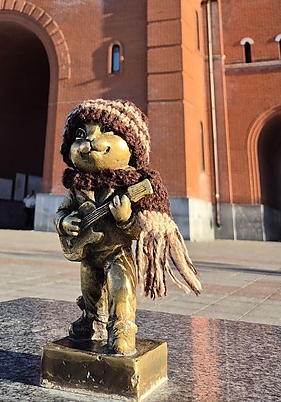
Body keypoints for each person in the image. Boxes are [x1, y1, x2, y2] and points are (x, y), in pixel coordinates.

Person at [56, 98, 201, 355]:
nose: (90, 141)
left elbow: (139, 232)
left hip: (116, 252)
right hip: (88, 253)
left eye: (106, 131)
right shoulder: (77, 188)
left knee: (121, 287)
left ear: (133, 148)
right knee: (89, 288)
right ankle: (93, 319)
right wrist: (65, 222)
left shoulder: (130, 189)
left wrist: (124, 219)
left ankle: (122, 328)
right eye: (81, 135)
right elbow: (62, 212)